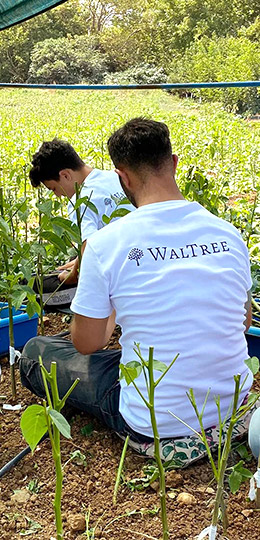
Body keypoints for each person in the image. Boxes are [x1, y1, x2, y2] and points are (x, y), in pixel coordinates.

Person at [20, 118, 252, 443]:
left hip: (153, 420)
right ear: (173, 162)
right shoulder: (228, 233)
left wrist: (113, 300)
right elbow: (243, 322)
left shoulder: (106, 244)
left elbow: (88, 344)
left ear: (122, 177)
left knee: (37, 351)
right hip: (235, 405)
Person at [29, 139, 134, 290]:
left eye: (53, 189)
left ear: (65, 175)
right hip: (140, 255)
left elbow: (89, 245)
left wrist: (71, 276)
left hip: (121, 273)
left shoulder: (80, 201)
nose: (58, 195)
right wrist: (79, 259)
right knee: (75, 259)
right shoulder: (114, 177)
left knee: (38, 285)